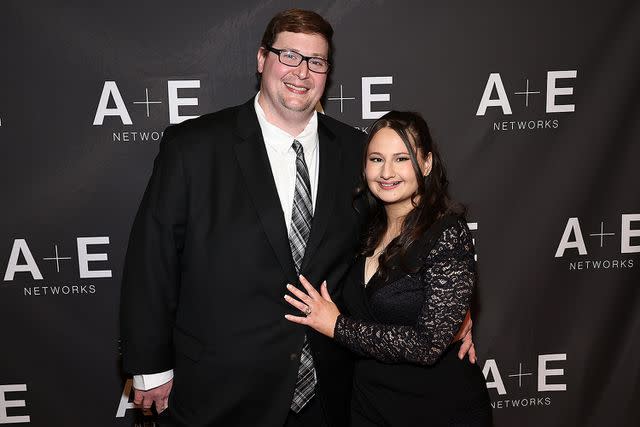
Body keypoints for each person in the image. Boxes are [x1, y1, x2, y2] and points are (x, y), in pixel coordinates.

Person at [120, 9, 475, 427]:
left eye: (317, 62)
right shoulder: (194, 147)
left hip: (330, 395)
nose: (302, 72)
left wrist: (452, 310)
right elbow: (152, 259)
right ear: (261, 59)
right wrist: (150, 365)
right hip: (222, 391)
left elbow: (405, 242)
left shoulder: (357, 152)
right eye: (289, 56)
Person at [285, 111, 492, 426]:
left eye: (402, 159)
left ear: (426, 163)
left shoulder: (447, 232)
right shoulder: (363, 226)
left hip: (438, 409)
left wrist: (336, 326)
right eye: (377, 159)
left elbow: (428, 345)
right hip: (369, 406)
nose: (387, 172)